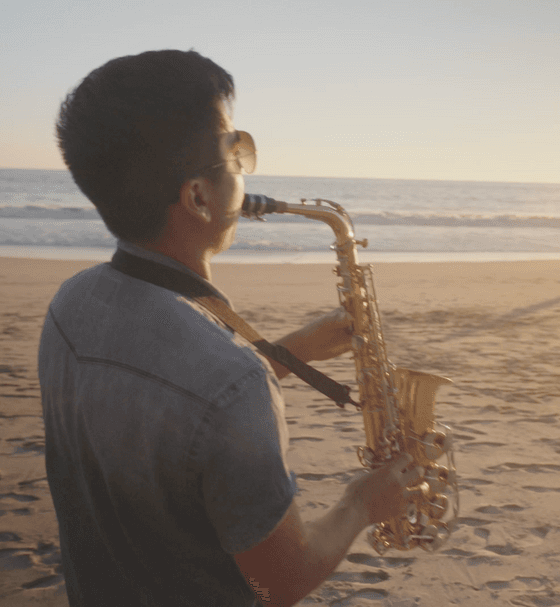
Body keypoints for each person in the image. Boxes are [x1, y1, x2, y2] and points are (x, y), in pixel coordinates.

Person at [38, 50, 421, 607]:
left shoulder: (70, 306)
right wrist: (361, 503)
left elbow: (169, 421)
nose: (246, 171)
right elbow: (279, 582)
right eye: (235, 151)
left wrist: (292, 353)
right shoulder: (230, 383)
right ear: (197, 196)